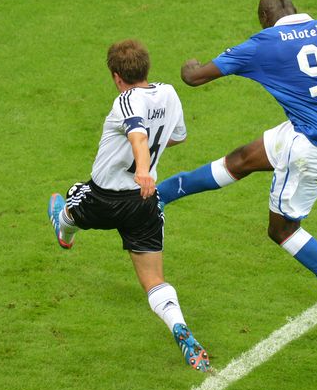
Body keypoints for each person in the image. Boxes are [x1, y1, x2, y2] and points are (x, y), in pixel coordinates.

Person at [157, 0, 317, 332]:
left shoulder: (264, 42)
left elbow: (194, 77)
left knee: (281, 229)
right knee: (242, 159)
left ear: (264, 19)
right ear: (295, 7)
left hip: (310, 148)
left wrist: (188, 66)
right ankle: (160, 195)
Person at [47, 39, 211, 371]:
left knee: (71, 197)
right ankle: (180, 328)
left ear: (116, 76)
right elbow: (178, 136)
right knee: (154, 282)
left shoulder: (125, 100)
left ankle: (64, 228)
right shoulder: (168, 94)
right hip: (143, 204)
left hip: (105, 198)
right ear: (146, 67)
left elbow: (136, 134)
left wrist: (140, 168)